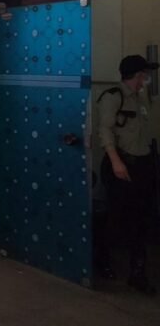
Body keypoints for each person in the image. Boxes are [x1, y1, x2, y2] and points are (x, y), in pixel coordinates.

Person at [97, 54, 157, 295]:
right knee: (116, 217)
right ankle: (103, 260)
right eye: (144, 74)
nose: (147, 79)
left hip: (142, 165)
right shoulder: (114, 97)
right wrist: (116, 163)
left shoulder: (142, 99)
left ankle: (138, 272)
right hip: (120, 164)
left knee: (141, 218)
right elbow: (105, 130)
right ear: (136, 74)